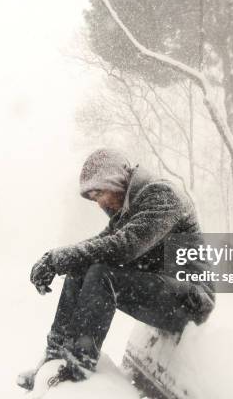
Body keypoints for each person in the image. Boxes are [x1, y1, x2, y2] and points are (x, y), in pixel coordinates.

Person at [18, 148, 215, 389]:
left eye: (99, 192)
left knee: (102, 275)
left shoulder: (162, 195)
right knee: (80, 269)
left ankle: (79, 365)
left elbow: (124, 246)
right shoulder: (129, 209)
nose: (99, 202)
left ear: (117, 180)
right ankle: (55, 355)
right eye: (93, 197)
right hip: (167, 292)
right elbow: (98, 243)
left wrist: (59, 259)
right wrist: (55, 258)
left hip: (191, 300)